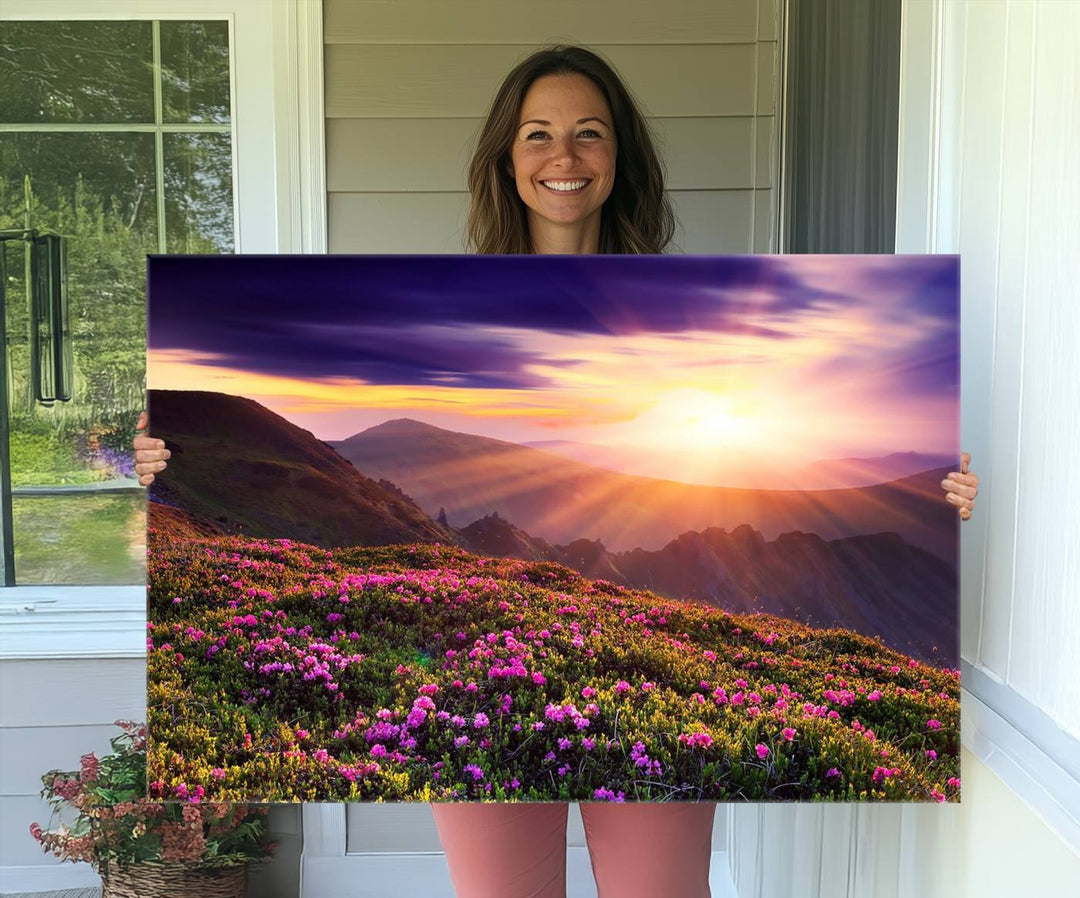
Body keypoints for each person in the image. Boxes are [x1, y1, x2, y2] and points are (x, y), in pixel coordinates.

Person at [133, 45, 979, 898]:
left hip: (642, 679)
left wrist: (940, 498)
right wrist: (168, 458)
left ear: (620, 158)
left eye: (589, 134)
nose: (563, 157)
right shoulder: (448, 300)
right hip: (474, 676)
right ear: (507, 157)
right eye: (538, 134)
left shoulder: (686, 304)